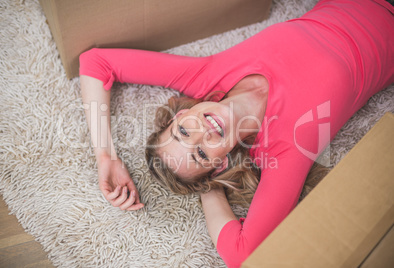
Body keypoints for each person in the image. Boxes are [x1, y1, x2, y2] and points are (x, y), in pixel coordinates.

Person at [79, 0, 394, 266]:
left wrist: (104, 155)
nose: (201, 134)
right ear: (220, 163)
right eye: (201, 154)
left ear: (182, 114)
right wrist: (209, 187)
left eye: (183, 131)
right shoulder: (286, 150)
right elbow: (241, 254)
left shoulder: (206, 78)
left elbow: (96, 62)